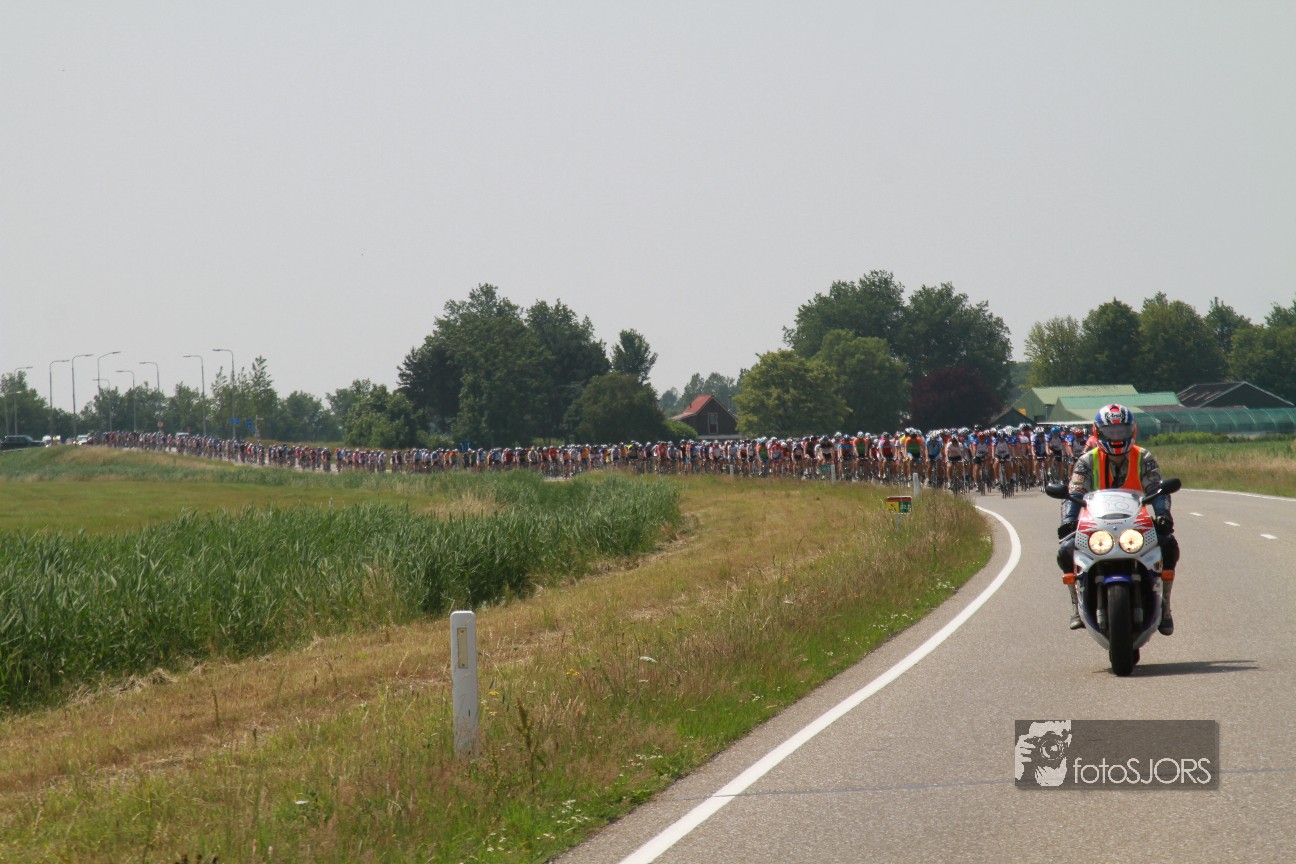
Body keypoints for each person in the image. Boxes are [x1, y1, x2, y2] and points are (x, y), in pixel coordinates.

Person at [1056, 404, 1180, 633]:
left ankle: (1165, 605)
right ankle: (1076, 605)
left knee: (1168, 544)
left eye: (1121, 431)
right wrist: (1068, 520)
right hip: (1096, 526)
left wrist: (1163, 515)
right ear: (1098, 432)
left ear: (1132, 431)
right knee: (1066, 549)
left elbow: (1157, 488)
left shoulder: (1143, 457)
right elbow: (1074, 491)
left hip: (1136, 523)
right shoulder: (1086, 460)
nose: (1116, 437)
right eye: (1110, 432)